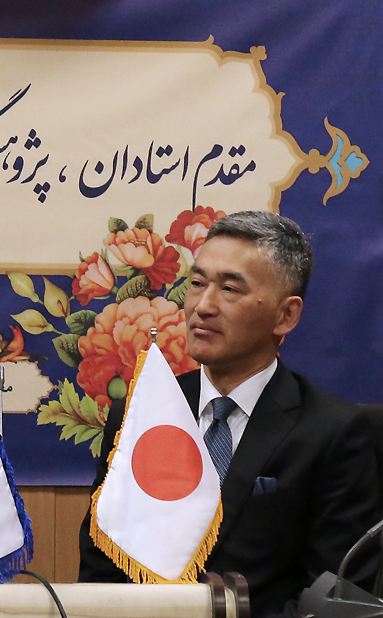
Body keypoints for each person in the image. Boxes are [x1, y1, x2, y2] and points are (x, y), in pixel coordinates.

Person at [78, 211, 380, 618]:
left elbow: (334, 602)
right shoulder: (139, 412)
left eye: (230, 289)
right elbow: (100, 570)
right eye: (197, 284)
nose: (203, 306)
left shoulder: (332, 433)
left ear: (286, 315)